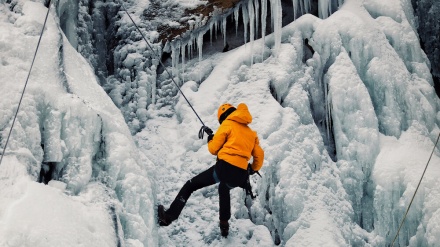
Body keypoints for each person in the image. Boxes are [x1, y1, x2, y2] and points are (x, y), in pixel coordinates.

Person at [158, 103, 264, 237]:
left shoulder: (228, 124)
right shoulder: (251, 133)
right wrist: (253, 169)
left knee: (191, 185)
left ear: (224, 116)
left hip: (224, 168)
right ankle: (224, 225)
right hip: (240, 175)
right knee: (224, 188)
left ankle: (168, 217)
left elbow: (213, 149)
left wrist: (210, 140)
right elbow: (259, 156)